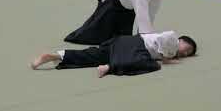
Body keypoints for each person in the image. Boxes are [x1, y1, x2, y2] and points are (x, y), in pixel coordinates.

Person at [64, 0, 178, 45]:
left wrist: (148, 40)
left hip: (127, 10)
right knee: (95, 33)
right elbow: (142, 18)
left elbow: (150, 16)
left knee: (121, 41)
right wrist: (149, 43)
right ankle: (73, 37)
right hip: (112, 3)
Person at [30, 31, 197, 78]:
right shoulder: (172, 37)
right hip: (134, 45)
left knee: (91, 55)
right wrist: (168, 59)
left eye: (188, 54)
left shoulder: (172, 47)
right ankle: (108, 67)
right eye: (187, 48)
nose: (185, 53)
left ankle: (53, 56)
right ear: (181, 39)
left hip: (120, 43)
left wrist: (169, 58)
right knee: (150, 64)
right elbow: (163, 46)